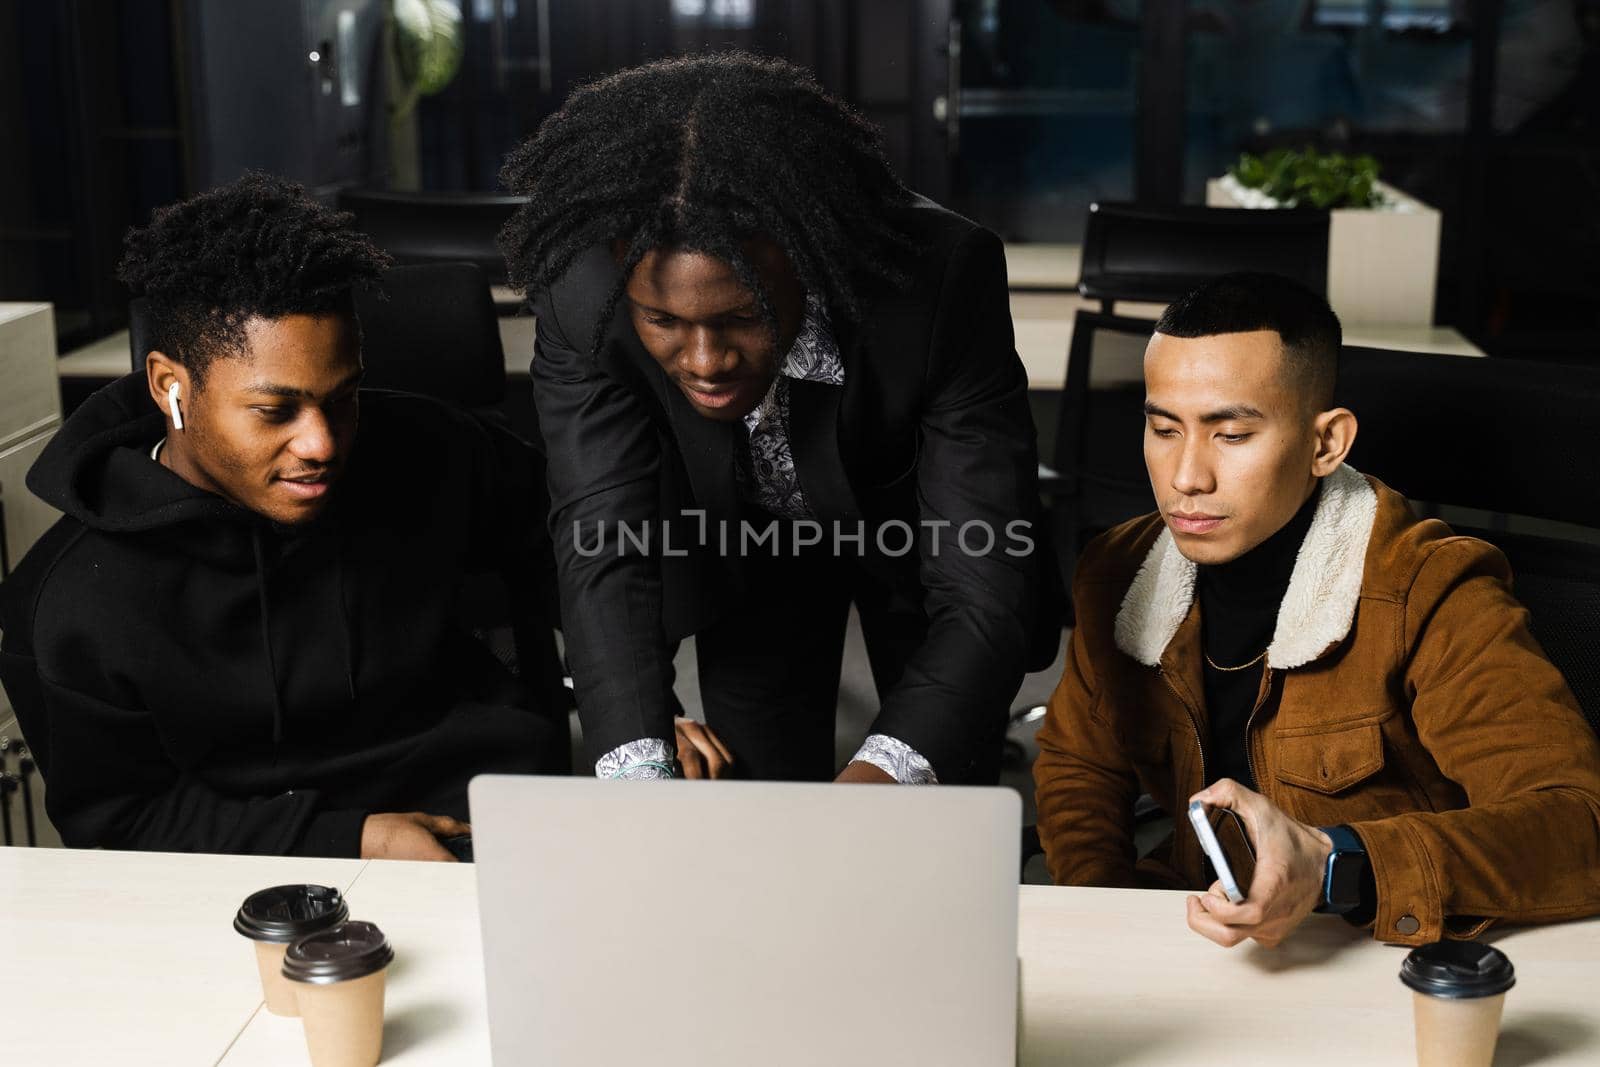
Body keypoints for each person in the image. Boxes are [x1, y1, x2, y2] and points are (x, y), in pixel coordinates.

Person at [500, 53, 1058, 785]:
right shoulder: (583, 293)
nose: (704, 361)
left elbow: (982, 585)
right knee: (761, 790)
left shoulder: (939, 278)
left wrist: (884, 777)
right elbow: (602, 541)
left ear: (806, 260)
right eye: (664, 320)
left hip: (917, 538)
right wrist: (637, 772)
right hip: (739, 542)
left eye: (741, 317)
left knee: (937, 792)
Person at [0, 173, 566, 860]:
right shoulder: (74, 600)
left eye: (342, 397)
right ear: (169, 386)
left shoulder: (429, 448)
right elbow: (121, 821)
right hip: (254, 875)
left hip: (485, 823)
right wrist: (354, 838)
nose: (322, 443)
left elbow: (576, 534)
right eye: (275, 411)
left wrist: (626, 708)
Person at [1032, 272, 1600, 947]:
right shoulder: (1118, 571)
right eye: (1163, 428)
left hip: (1378, 950)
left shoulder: (1429, 587)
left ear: (1326, 442)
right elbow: (1079, 766)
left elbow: (1578, 821)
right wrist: (1110, 919)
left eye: (1232, 435)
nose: (1186, 476)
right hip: (1202, 945)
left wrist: (1338, 863)